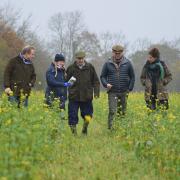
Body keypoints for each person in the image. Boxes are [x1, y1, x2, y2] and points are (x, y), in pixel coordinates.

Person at [100, 45, 135, 130]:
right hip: (112, 91)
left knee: (122, 112)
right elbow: (102, 76)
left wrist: (129, 88)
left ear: (122, 53)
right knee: (112, 111)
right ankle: (111, 129)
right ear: (113, 52)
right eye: (116, 53)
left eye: (119, 53)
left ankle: (121, 128)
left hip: (124, 91)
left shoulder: (128, 63)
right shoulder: (108, 63)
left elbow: (132, 76)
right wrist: (106, 84)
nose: (117, 55)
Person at [66, 51, 100, 135]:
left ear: (84, 58)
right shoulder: (71, 68)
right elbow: (66, 82)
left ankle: (85, 128)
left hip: (86, 96)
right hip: (74, 96)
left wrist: (96, 93)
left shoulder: (90, 67)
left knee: (88, 115)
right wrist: (68, 86)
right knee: (72, 115)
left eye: (82, 58)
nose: (80, 60)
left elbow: (95, 81)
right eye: (79, 59)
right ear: (76, 58)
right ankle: (74, 134)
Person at [45, 53, 71, 119]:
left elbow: (66, 82)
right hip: (52, 98)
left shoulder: (63, 71)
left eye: (63, 62)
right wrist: (63, 84)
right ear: (56, 61)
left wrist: (69, 82)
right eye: (61, 61)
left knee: (61, 119)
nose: (63, 63)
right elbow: (51, 82)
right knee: (51, 118)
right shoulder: (51, 70)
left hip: (62, 99)